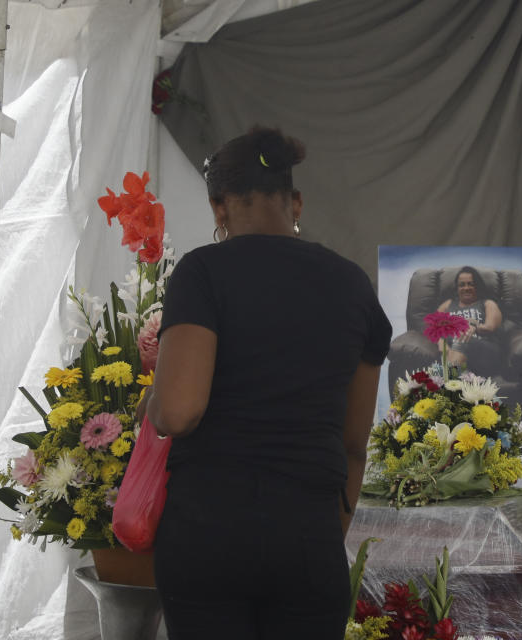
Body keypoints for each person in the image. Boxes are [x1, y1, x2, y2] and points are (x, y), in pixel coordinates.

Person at [141, 126, 391, 640]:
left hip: (207, 533)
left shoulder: (203, 272)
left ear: (220, 207)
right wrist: (324, 532)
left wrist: (153, 402)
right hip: (306, 534)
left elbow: (180, 410)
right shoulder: (352, 285)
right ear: (295, 202)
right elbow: (352, 444)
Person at [436, 266, 503, 375]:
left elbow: (490, 327)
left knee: (462, 339)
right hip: (453, 350)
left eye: (470, 284)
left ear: (477, 286)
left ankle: (448, 381)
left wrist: (475, 327)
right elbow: (432, 327)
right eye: (462, 285)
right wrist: (441, 343)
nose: (466, 288)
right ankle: (457, 380)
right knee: (455, 345)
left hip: (483, 351)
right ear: (457, 288)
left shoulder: (487, 303)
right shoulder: (448, 304)